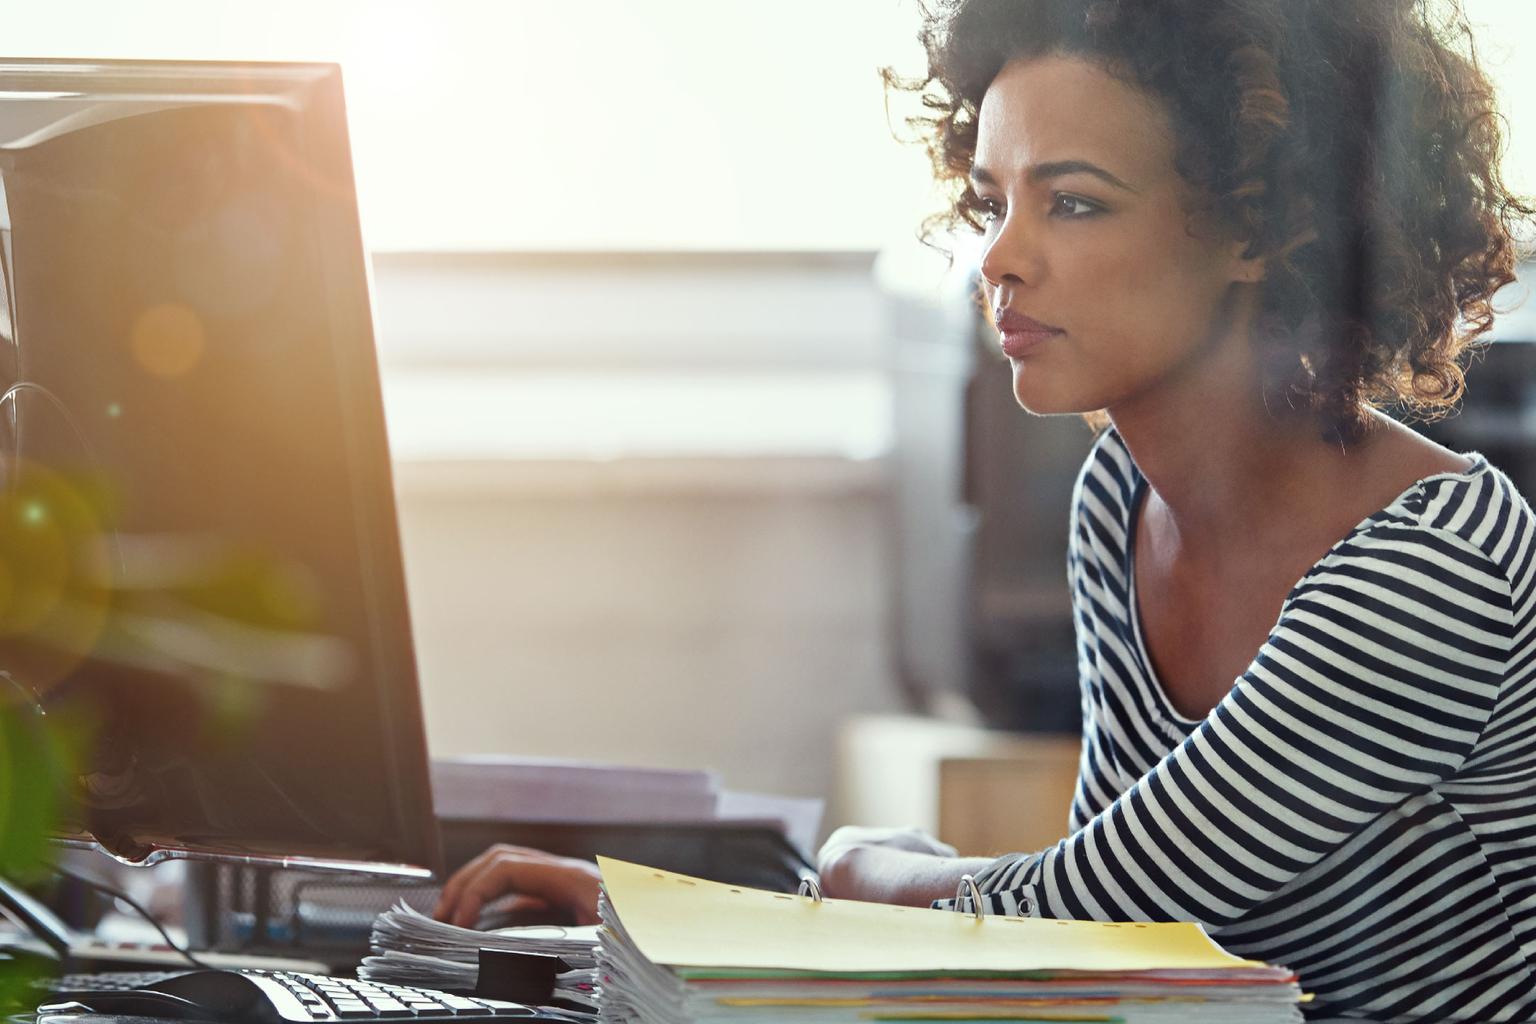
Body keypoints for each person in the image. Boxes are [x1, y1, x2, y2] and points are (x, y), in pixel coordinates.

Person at [437, 0, 1534, 1017]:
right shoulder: (1122, 500)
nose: (998, 261)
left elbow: (1093, 917)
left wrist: (848, 867)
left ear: (1261, 225)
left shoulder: (1434, 569)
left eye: (1073, 202)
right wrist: (659, 931)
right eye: (991, 202)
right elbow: (1091, 963)